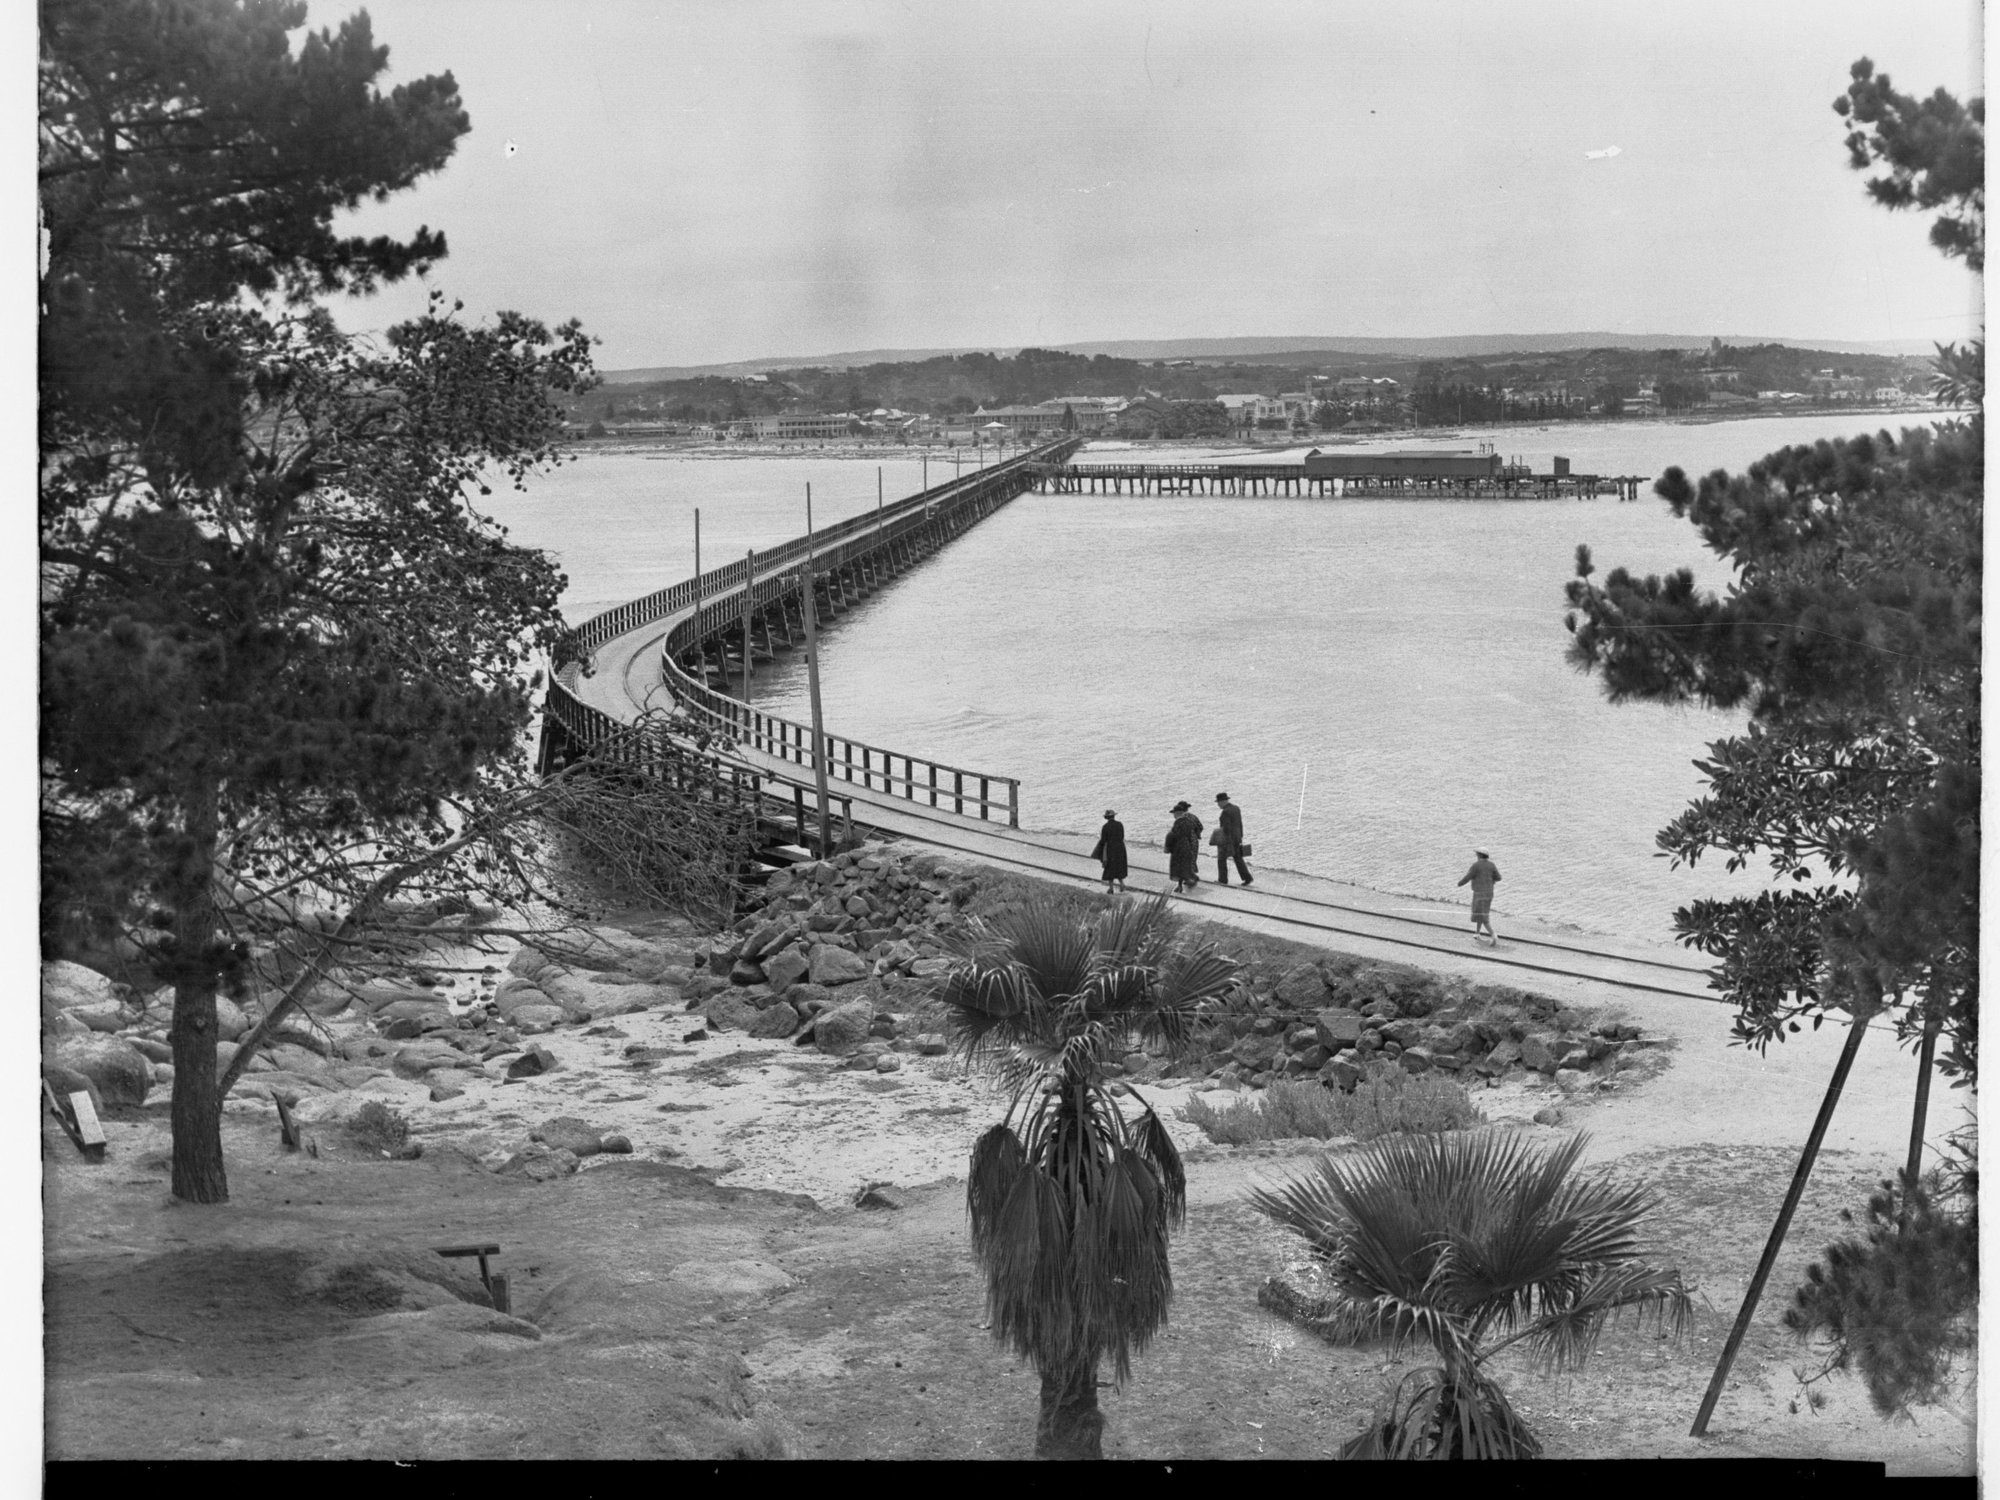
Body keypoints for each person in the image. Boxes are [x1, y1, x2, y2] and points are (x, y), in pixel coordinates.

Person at [1457, 849, 1501, 942]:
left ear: (1479, 855)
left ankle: (1493, 935)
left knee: (1482, 915)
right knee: (1482, 913)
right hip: (1489, 893)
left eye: (1477, 854)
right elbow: (1498, 877)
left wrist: (1459, 883)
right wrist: (1490, 880)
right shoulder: (1491, 865)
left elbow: (1468, 877)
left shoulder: (1476, 866)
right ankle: (1477, 932)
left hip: (1479, 894)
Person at [1211, 792, 1252, 886]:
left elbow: (1226, 828)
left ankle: (1222, 880)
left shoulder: (1225, 812)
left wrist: (1223, 840)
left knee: (1221, 859)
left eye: (1218, 802)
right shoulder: (1236, 808)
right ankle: (1247, 878)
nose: (1218, 805)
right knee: (1238, 858)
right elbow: (1240, 824)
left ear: (1222, 801)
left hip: (1229, 839)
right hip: (1237, 837)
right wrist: (1241, 836)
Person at [1165, 801, 1203, 893]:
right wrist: (1196, 835)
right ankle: (1190, 877)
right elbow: (1200, 827)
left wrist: (1169, 846)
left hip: (1181, 846)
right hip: (1192, 842)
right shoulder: (1192, 817)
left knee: (1180, 866)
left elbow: (1174, 834)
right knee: (1190, 862)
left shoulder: (1180, 821)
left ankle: (1189, 880)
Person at [1091, 810, 1128, 894]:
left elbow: (1103, 840)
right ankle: (1122, 884)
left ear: (1106, 818)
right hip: (1120, 848)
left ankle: (1111, 888)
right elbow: (1122, 836)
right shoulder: (1120, 824)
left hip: (1110, 849)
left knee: (1110, 867)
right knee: (1119, 866)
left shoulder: (1105, 827)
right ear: (1114, 816)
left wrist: (1098, 850)